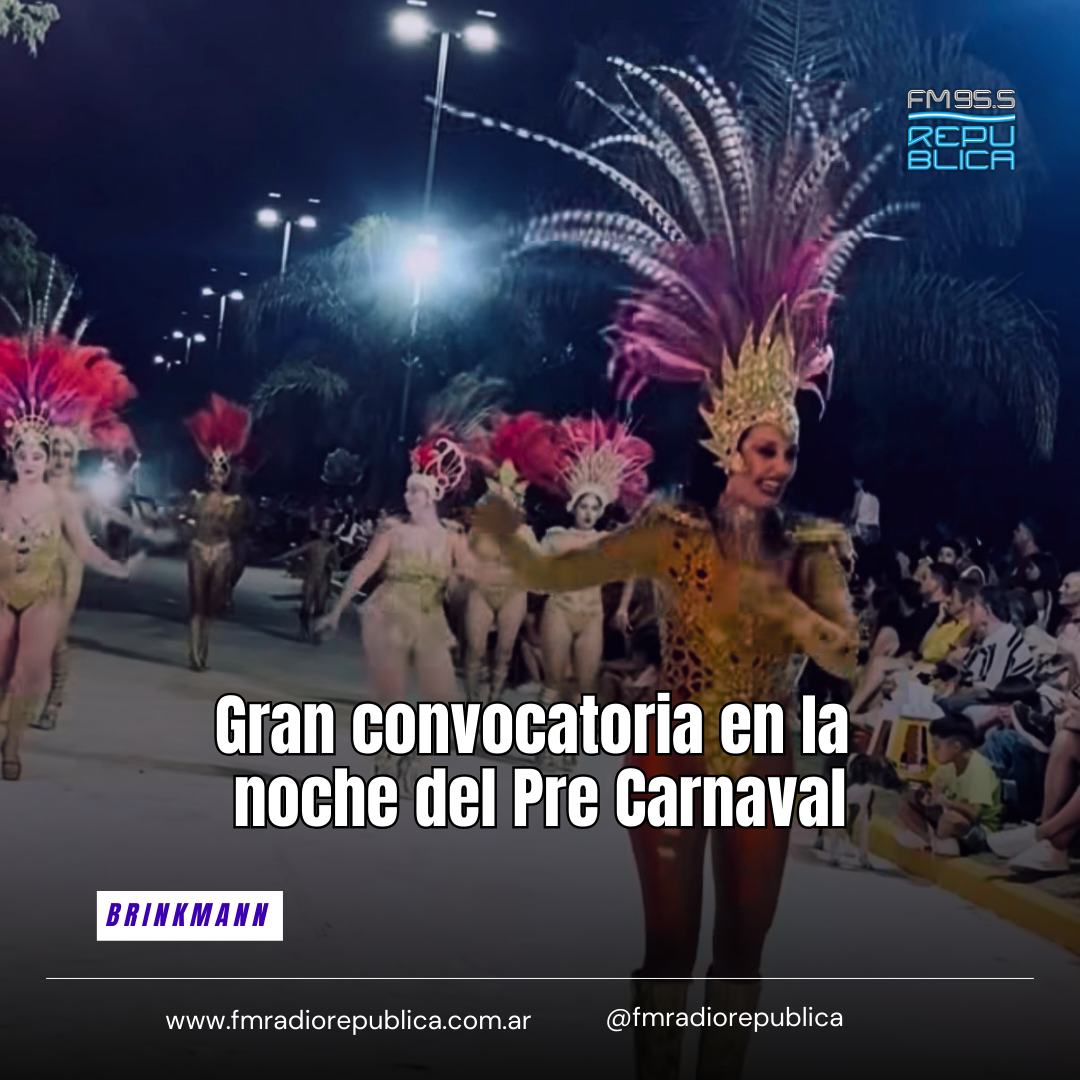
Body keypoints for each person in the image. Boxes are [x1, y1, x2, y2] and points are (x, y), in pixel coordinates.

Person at [316, 406, 505, 795]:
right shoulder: (393, 531)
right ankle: (385, 762)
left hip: (429, 617)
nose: (409, 495)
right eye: (407, 489)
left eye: (416, 490)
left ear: (434, 494)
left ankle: (413, 758)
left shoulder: (452, 537)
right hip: (388, 613)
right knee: (392, 699)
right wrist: (336, 610)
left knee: (445, 701)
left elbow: (473, 571)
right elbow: (366, 567)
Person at [0, 332, 142, 779]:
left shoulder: (71, 495)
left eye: (47, 452)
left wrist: (118, 563)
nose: (37, 459)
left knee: (41, 654)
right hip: (8, 583)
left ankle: (23, 733)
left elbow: (86, 540)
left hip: (54, 579)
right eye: (24, 453)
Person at [528, 416, 653, 735]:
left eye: (595, 508)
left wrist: (622, 608)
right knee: (553, 683)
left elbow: (632, 568)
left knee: (585, 687)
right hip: (559, 611)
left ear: (601, 511)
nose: (589, 513)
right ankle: (546, 743)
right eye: (584, 506)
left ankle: (571, 744)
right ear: (574, 507)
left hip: (591, 617)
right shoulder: (557, 537)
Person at [461, 412, 556, 704]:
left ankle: (493, 701)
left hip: (513, 596)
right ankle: (472, 702)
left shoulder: (524, 533)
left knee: (503, 652)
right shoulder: (479, 530)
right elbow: (463, 559)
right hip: (481, 592)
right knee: (475, 650)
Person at [179, 394, 257, 671]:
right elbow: (181, 519)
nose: (215, 476)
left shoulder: (235, 502)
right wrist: (184, 523)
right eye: (212, 470)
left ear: (227, 475)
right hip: (198, 549)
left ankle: (204, 649)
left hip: (222, 551)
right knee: (196, 604)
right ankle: (193, 654)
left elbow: (241, 528)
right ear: (206, 473)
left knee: (211, 606)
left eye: (220, 471)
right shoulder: (196, 497)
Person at [894, 712, 1002, 855]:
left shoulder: (979, 769)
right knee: (906, 804)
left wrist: (944, 801)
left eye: (937, 746)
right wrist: (924, 796)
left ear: (956, 747)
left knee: (951, 819)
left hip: (978, 830)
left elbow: (974, 814)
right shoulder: (948, 766)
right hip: (947, 816)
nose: (932, 751)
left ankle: (945, 845)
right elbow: (932, 787)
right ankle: (929, 841)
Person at [850, 477, 881, 546]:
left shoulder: (859, 494)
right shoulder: (876, 498)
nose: (853, 481)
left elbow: (853, 515)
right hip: (874, 531)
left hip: (864, 528)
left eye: (855, 479)